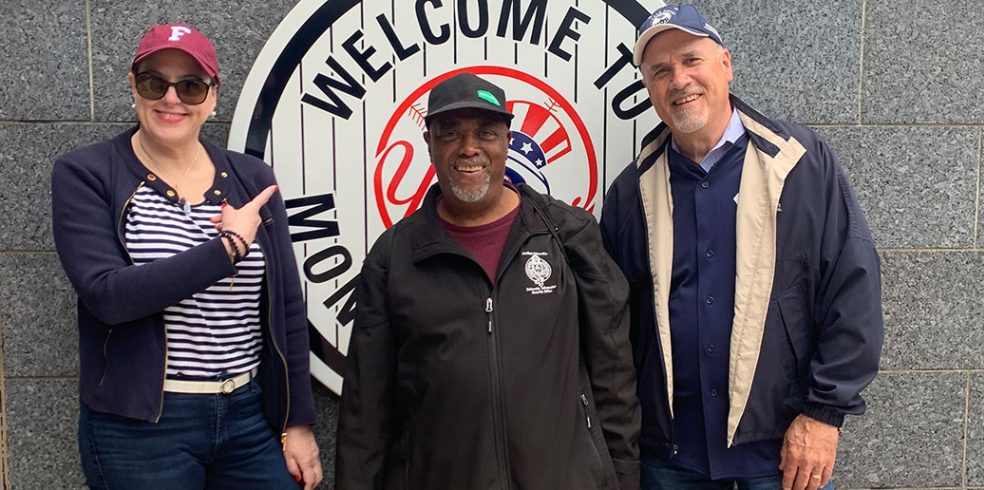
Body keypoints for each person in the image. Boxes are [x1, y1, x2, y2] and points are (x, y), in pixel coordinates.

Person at [600, 5, 884, 490]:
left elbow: (853, 288)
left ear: (725, 64)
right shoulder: (631, 193)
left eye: (692, 60)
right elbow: (613, 329)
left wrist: (824, 414)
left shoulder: (799, 165)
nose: (679, 80)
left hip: (781, 454)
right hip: (670, 460)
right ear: (648, 87)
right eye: (661, 71)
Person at [334, 72, 641, 489]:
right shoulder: (395, 256)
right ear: (429, 143)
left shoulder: (568, 234)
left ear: (508, 140)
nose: (468, 148)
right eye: (450, 133)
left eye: (486, 132)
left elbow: (613, 372)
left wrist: (621, 478)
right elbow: (364, 408)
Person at [51, 23, 322, 489]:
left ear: (213, 98)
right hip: (141, 428)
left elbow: (287, 312)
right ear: (133, 85)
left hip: (247, 414)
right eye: (155, 81)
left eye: (191, 86)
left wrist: (296, 421)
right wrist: (227, 249)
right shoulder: (87, 173)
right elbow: (109, 296)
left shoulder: (252, 179)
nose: (171, 99)